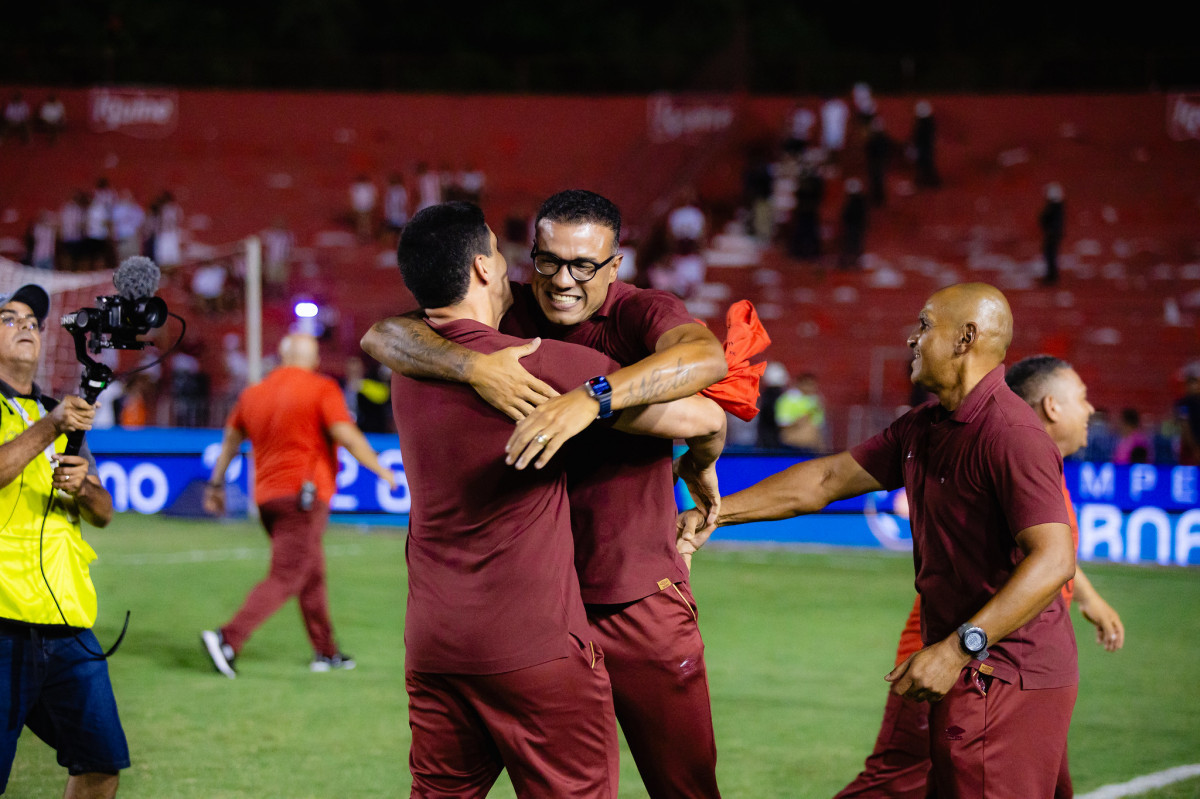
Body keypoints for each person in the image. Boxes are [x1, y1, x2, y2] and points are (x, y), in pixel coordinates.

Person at [362, 188, 732, 798]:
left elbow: (705, 361)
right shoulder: (508, 327)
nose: (562, 280)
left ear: (615, 267)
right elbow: (385, 335)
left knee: (686, 789)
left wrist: (593, 399)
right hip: (541, 620)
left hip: (633, 596)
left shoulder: (641, 312)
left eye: (583, 265)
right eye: (548, 260)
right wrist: (472, 367)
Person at [680, 282, 1079, 798]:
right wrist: (715, 513)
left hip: (1003, 673)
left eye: (925, 325)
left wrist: (958, 649)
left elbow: (1055, 559)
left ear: (967, 338)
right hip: (979, 672)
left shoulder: (1011, 435)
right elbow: (826, 481)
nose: (912, 339)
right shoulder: (925, 426)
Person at [833, 353, 1126, 799]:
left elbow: (1047, 555)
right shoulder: (1003, 455)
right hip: (949, 663)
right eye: (1083, 399)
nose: (1091, 410)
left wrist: (1086, 597)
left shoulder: (1038, 466)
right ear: (1052, 406)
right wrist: (950, 653)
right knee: (894, 785)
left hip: (1021, 668)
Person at [200, 333, 396, 678]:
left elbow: (230, 440)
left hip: (267, 499)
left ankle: (326, 652)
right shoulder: (321, 388)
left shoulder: (253, 393)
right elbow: (346, 434)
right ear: (314, 359)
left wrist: (216, 484)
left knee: (311, 574)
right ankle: (228, 639)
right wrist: (380, 468)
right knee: (288, 575)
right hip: (303, 498)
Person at [0, 284, 129, 798]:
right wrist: (50, 427)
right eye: (9, 318)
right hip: (3, 620)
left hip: (67, 622)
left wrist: (83, 488)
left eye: (33, 319)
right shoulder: (56, 418)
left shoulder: (59, 410)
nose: (26, 325)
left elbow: (104, 514)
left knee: (101, 765)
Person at [1040, 182, 1066, 286]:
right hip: (1053, 234)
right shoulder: (1057, 208)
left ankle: (1051, 276)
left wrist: (1052, 232)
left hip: (1052, 235)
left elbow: (1048, 220)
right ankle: (1051, 275)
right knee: (1050, 254)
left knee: (1050, 254)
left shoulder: (1055, 208)